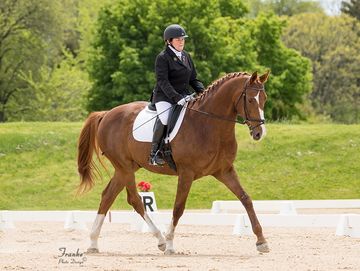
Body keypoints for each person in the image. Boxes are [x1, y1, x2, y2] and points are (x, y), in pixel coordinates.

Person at [149, 24, 205, 166]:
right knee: (165, 118)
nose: (181, 41)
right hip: (165, 97)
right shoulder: (162, 57)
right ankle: (155, 153)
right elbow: (163, 81)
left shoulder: (186, 56)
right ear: (169, 41)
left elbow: (193, 79)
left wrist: (204, 92)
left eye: (183, 39)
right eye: (178, 39)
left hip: (184, 96)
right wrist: (176, 98)